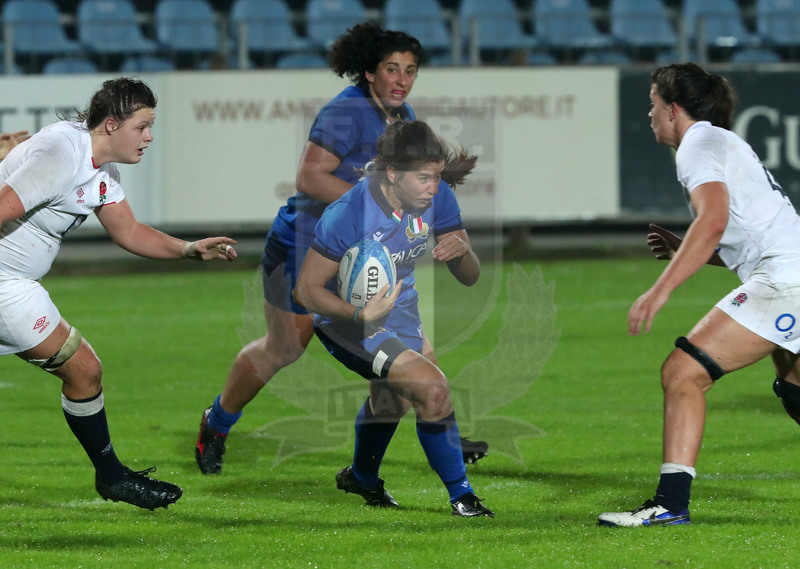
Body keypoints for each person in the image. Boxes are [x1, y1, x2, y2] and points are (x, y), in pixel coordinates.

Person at [195, 22, 488, 475]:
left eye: (410, 70)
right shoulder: (346, 111)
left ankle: (437, 424)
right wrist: (377, 212)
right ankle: (217, 423)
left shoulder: (400, 114)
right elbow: (309, 177)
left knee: (410, 343)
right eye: (391, 68)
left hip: (362, 251)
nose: (402, 79)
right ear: (369, 72)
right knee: (284, 348)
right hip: (304, 243)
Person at [0, 77, 238, 510]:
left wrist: (189, 249)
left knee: (85, 371)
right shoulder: (62, 155)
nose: (149, 137)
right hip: (4, 284)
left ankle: (111, 476)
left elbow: (128, 231)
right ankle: (111, 477)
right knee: (84, 369)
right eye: (142, 126)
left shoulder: (99, 168)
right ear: (111, 124)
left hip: (16, 284)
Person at [598, 62, 800, 527]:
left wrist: (659, 290)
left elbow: (712, 220)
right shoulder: (719, 141)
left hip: (785, 280)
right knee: (795, 387)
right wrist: (686, 251)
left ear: (673, 109)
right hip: (789, 273)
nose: (649, 114)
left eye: (652, 104)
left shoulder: (697, 146)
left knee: (683, 372)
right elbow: (746, 237)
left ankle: (669, 505)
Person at [293, 120, 493, 516]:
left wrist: (464, 253)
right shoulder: (349, 213)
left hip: (400, 313)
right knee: (432, 389)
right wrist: (359, 312)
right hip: (347, 323)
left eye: (437, 177)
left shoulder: (438, 197)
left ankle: (361, 477)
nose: (433, 188)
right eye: (424, 178)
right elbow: (306, 291)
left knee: (391, 403)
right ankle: (462, 496)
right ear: (392, 174)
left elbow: (470, 278)